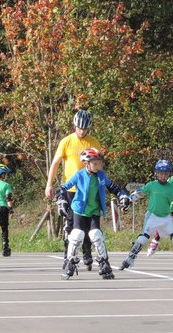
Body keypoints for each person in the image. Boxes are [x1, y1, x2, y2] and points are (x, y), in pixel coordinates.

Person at [55, 148, 130, 280]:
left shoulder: (101, 175)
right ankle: (70, 262)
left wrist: (123, 196)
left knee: (96, 235)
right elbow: (63, 188)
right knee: (77, 235)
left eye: (99, 163)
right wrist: (61, 200)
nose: (98, 166)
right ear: (86, 163)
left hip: (94, 211)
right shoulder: (79, 175)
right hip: (80, 210)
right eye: (95, 163)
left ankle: (105, 264)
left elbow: (114, 188)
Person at [45, 109, 103, 271]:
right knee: (70, 222)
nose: (82, 131)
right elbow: (56, 163)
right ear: (75, 126)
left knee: (87, 220)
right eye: (79, 128)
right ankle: (68, 255)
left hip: (88, 189)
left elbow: (98, 165)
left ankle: (86, 251)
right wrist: (49, 184)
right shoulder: (67, 141)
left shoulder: (94, 142)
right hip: (70, 189)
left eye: (85, 129)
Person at [119, 160, 173, 272]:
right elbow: (139, 192)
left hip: (166, 217)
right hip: (152, 216)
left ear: (169, 174)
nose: (163, 176)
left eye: (166, 174)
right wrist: (128, 200)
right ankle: (129, 259)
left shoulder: (172, 187)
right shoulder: (152, 185)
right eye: (161, 173)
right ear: (156, 173)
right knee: (143, 239)